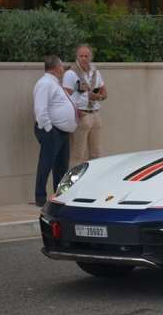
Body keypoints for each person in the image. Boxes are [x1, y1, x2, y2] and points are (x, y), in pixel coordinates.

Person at [33, 56, 79, 207]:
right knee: (46, 164)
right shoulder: (45, 83)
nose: (63, 71)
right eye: (62, 68)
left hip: (61, 132)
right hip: (52, 131)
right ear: (58, 68)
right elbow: (40, 109)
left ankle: (59, 196)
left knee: (61, 167)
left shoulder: (55, 84)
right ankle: (40, 197)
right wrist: (49, 129)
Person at [63, 44, 108, 170]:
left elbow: (104, 93)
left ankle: (93, 181)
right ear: (77, 57)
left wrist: (97, 97)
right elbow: (65, 98)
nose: (83, 59)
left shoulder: (95, 72)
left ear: (90, 57)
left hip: (95, 114)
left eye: (86, 56)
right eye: (81, 56)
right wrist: (77, 112)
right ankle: (74, 184)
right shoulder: (71, 74)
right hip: (82, 114)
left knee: (96, 152)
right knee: (78, 154)